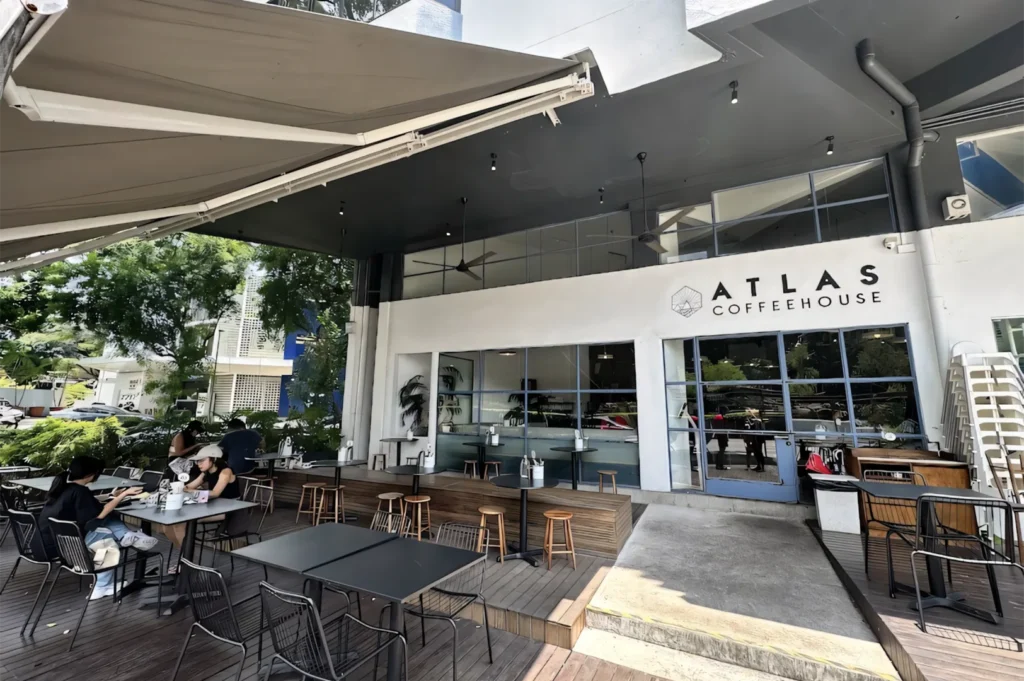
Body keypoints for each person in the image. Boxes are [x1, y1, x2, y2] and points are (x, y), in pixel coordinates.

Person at [39, 455, 159, 600]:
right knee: (106, 540)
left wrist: (111, 495)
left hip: (50, 541)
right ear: (91, 475)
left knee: (107, 525)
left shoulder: (63, 487)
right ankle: (102, 585)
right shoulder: (80, 491)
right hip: (70, 546)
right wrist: (124, 495)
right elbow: (99, 516)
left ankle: (127, 536)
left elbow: (88, 506)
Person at [162, 445, 246, 550]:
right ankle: (183, 557)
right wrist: (176, 487)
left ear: (214, 459)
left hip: (231, 509)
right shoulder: (205, 472)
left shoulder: (225, 471)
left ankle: (187, 560)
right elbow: (190, 486)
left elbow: (215, 493)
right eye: (197, 461)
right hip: (213, 506)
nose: (198, 464)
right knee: (168, 523)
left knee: (181, 520)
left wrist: (191, 490)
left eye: (202, 460)